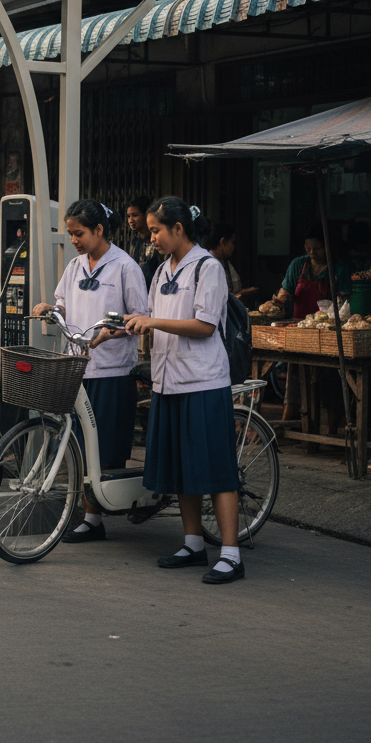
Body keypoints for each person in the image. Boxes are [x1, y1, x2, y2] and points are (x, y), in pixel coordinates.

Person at [125, 196, 244, 585]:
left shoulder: (208, 268)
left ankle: (230, 553)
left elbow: (205, 326)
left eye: (157, 230)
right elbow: (150, 317)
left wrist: (152, 321)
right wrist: (120, 327)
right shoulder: (162, 271)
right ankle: (193, 542)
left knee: (216, 467)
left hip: (202, 381)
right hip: (169, 378)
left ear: (178, 229)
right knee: (182, 467)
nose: (152, 236)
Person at [32, 200, 148, 543]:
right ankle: (90, 517)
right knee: (80, 446)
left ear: (99, 230)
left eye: (78, 233)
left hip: (112, 370)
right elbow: (64, 303)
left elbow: (138, 317)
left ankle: (97, 514)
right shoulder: (74, 265)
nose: (74, 240)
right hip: (77, 366)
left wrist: (112, 331)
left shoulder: (125, 267)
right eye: (70, 234)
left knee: (107, 448)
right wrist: (51, 308)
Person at [269, 223, 351, 421]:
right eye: (308, 248)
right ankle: (289, 421)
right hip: (300, 333)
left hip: (328, 335)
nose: (312, 252)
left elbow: (345, 303)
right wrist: (278, 301)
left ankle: (330, 427)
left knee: (330, 378)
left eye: (317, 248)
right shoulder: (298, 265)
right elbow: (285, 291)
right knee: (295, 374)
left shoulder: (338, 268)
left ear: (327, 247)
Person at [206, 222, 258, 303]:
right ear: (223, 242)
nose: (233, 247)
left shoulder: (223, 261)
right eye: (232, 242)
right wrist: (242, 293)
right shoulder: (210, 265)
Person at [126, 194, 162, 288]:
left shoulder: (158, 241)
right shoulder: (134, 241)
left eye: (135, 215)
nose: (130, 220)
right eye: (129, 216)